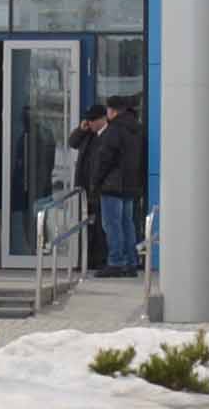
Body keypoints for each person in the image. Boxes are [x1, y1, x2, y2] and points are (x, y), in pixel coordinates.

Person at [87, 94, 144, 278]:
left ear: (112, 111)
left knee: (112, 225)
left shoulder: (114, 130)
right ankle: (131, 262)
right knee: (127, 224)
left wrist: (95, 181)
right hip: (130, 185)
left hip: (112, 185)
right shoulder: (136, 129)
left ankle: (116, 262)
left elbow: (105, 158)